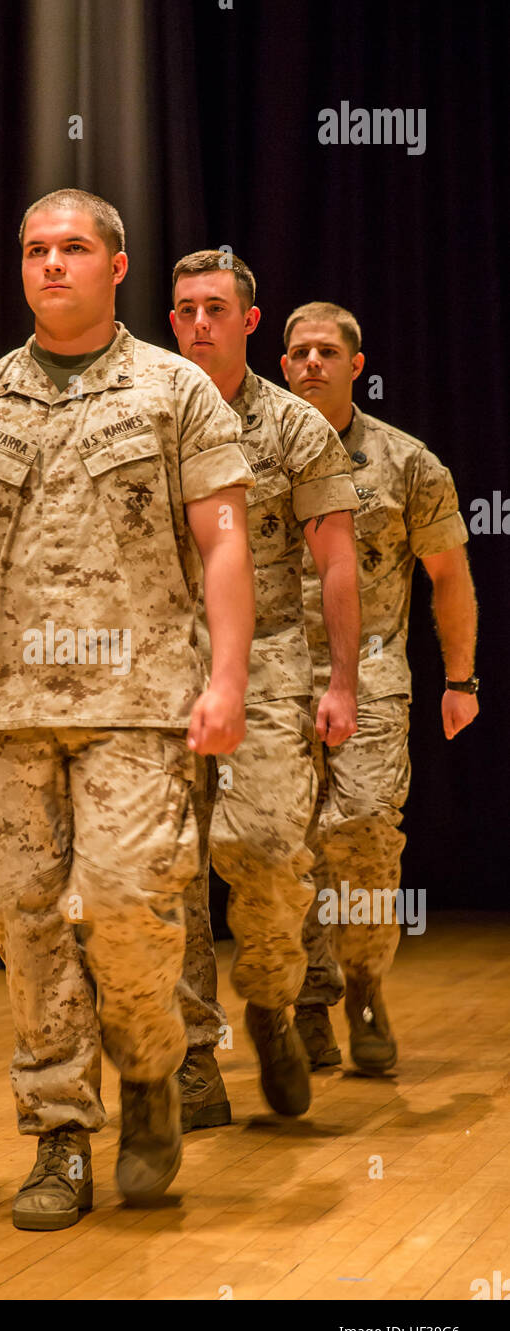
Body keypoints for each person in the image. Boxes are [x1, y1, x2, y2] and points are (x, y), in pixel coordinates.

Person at [0, 191, 255, 1231]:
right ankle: (58, 1131)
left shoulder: (175, 390)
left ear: (117, 265)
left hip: (140, 704)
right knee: (26, 922)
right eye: (36, 250)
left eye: (73, 249)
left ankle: (149, 1069)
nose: (52, 265)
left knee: (127, 901)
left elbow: (223, 540)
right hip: (7, 709)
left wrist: (226, 678)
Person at [168, 250, 361, 1121]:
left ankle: (274, 1003)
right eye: (183, 310)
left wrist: (344, 681)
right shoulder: (143, 415)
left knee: (268, 854)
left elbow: (337, 563)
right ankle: (191, 1057)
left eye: (215, 308)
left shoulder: (293, 428)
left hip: (275, 664)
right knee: (163, 871)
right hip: (162, 668)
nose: (198, 323)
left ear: (251, 322)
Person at [280, 301, 479, 1072]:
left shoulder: (406, 464)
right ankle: (306, 998)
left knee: (360, 830)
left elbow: (450, 576)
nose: (311, 365)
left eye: (327, 352)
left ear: (357, 366)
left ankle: (362, 981)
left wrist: (459, 678)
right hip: (270, 679)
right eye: (298, 353)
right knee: (280, 848)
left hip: (369, 676)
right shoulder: (245, 454)